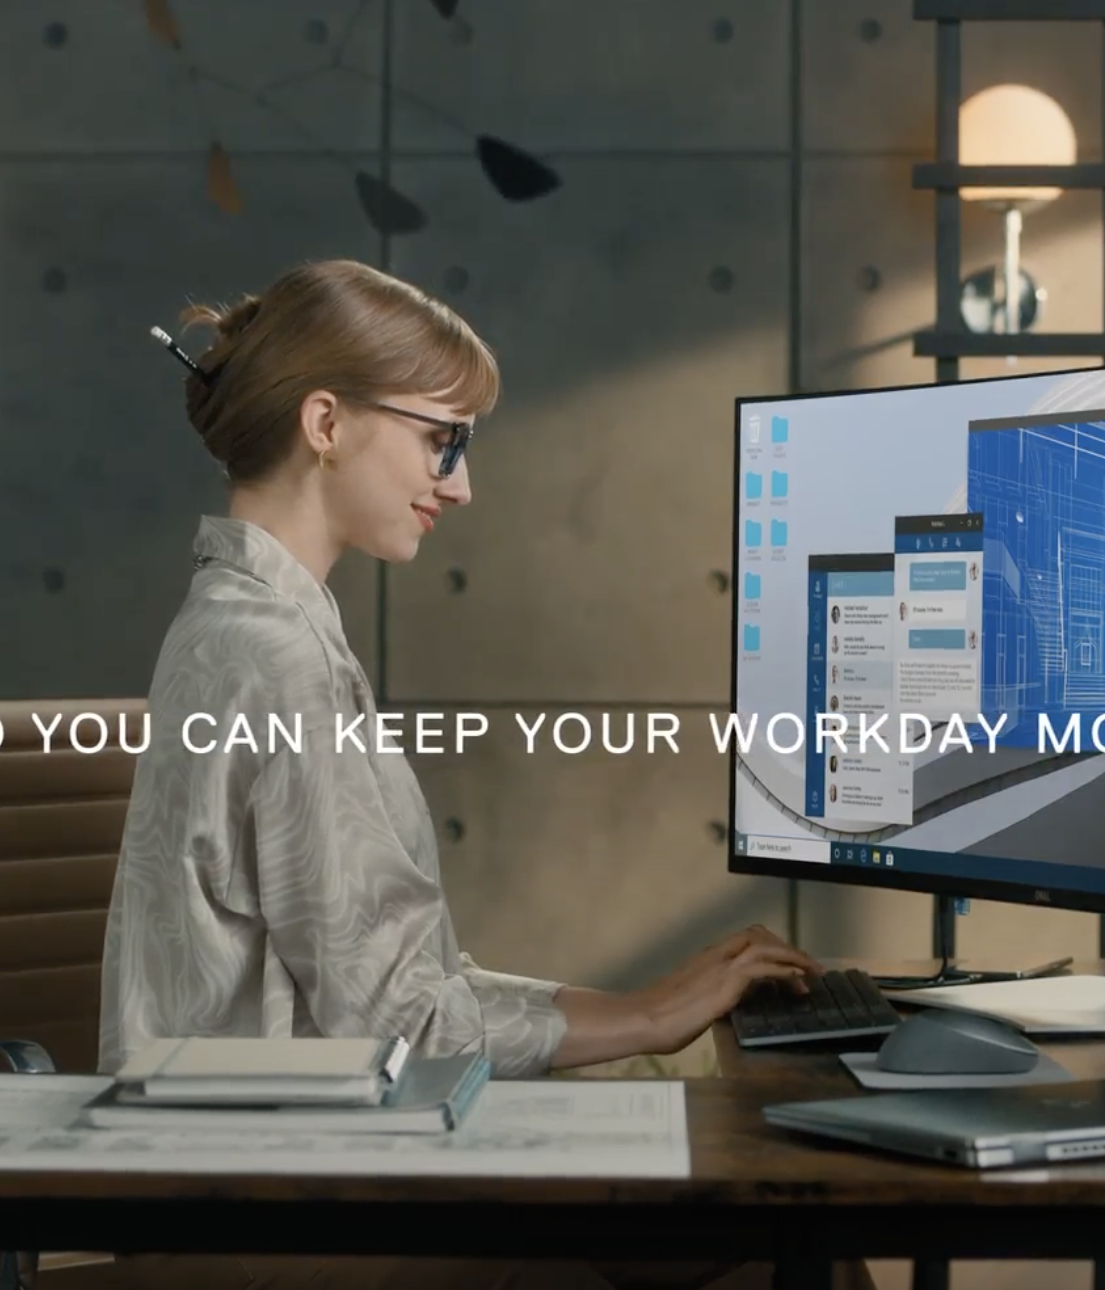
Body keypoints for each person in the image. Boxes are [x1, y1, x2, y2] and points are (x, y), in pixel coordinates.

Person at [96, 260, 843, 1290]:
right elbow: (400, 1026)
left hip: (254, 1150)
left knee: (692, 1150)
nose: (459, 483)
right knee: (773, 1235)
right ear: (325, 423)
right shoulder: (278, 659)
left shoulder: (234, 624)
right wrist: (652, 1017)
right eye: (442, 441)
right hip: (286, 1187)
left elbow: (400, 993)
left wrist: (644, 1007)